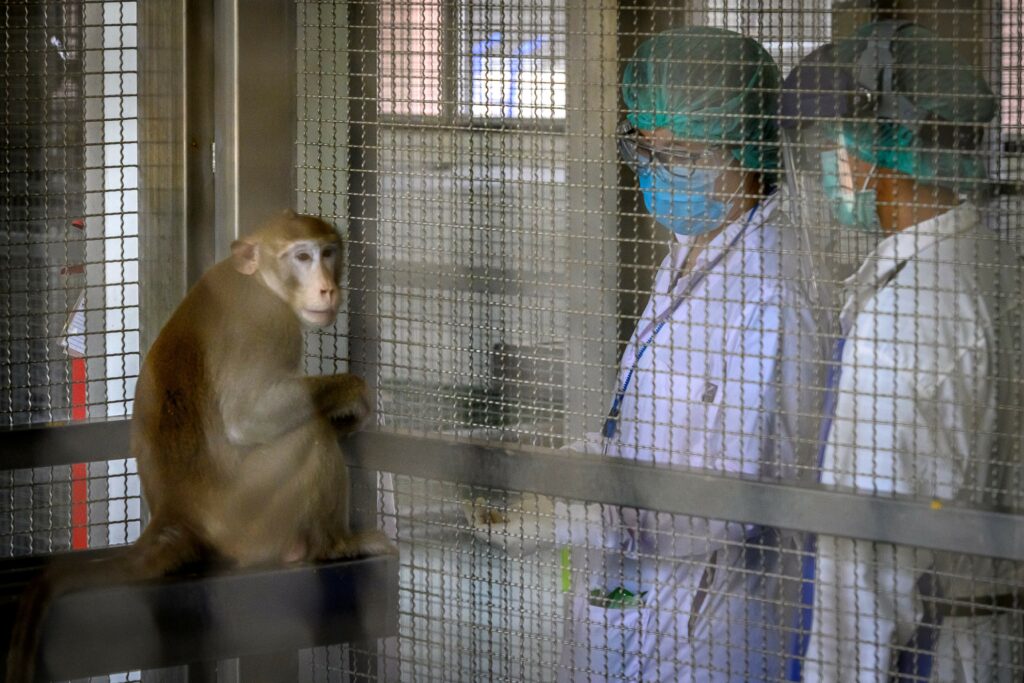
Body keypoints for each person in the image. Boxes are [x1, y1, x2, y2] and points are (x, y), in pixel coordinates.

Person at [551, 26, 828, 681]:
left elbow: (752, 498)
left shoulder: (772, 290)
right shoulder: (693, 245)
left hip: (712, 614)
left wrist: (601, 508)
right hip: (638, 583)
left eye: (678, 153)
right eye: (644, 148)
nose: (655, 169)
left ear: (747, 149)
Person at [781, 21, 1024, 682]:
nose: (828, 165)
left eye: (832, 144)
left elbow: (865, 566)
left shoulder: (910, 312)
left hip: (927, 654)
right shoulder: (992, 261)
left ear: (874, 149)